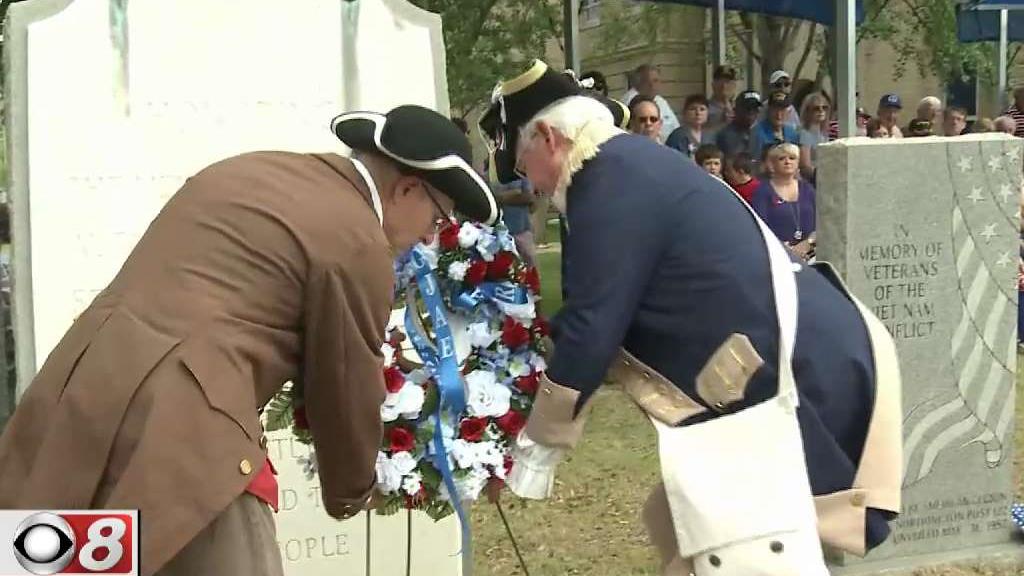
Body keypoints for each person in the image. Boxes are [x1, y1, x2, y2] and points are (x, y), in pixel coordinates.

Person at [0, 105, 498, 576]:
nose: (433, 237)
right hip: (186, 429)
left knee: (57, 555)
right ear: (406, 190)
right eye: (438, 219)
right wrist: (354, 489)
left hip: (82, 388)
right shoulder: (357, 242)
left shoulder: (253, 170)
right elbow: (344, 383)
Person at [480, 58, 901, 576]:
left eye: (524, 167)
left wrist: (536, 449)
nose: (533, 185)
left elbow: (594, 323)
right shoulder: (624, 166)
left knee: (738, 541)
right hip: (793, 353)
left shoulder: (607, 179)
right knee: (678, 524)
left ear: (548, 137)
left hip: (797, 366)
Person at [751, 143, 816, 262]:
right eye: (782, 158)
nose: (787, 162)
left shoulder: (808, 189)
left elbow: (823, 222)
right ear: (772, 164)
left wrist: (809, 243)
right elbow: (759, 228)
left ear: (797, 163)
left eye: (792, 158)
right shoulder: (763, 192)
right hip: (777, 256)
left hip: (811, 254)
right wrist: (785, 249)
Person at [622, 64, 680, 142]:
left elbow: (675, 127)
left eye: (656, 81)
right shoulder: (629, 101)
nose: (653, 85)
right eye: (648, 81)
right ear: (639, 82)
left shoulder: (661, 101)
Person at [750, 90, 800, 163]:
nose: (779, 115)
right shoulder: (757, 133)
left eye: (782, 110)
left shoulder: (792, 133)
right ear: (769, 110)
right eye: (775, 109)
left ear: (788, 112)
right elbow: (755, 163)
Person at [716, 90, 762, 158]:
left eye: (755, 108)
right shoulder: (725, 135)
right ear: (736, 110)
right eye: (747, 108)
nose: (751, 112)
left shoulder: (763, 132)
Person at [797, 92, 831, 183]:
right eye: (816, 108)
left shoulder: (824, 134)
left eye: (824, 107)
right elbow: (805, 166)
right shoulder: (805, 134)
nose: (821, 111)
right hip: (811, 182)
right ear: (807, 111)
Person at [707, 65, 738, 130]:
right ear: (713, 84)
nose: (724, 85)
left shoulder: (740, 108)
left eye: (727, 81)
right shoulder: (703, 109)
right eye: (720, 81)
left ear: (734, 85)